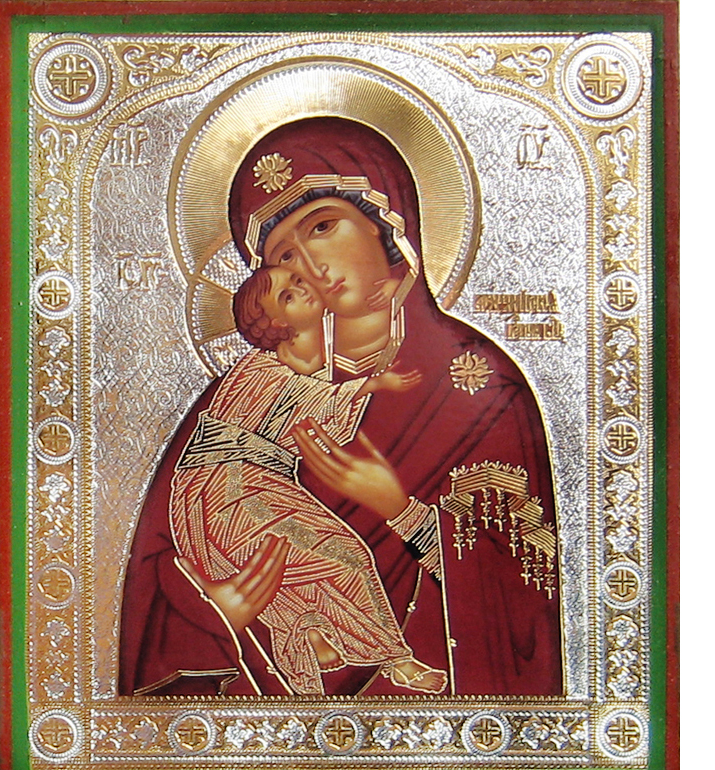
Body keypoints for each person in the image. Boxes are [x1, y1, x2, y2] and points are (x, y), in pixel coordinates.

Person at [119, 117, 563, 697]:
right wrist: (212, 610)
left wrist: (401, 510)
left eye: (323, 226)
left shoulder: (477, 387)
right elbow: (160, 565)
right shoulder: (236, 396)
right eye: (284, 254)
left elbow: (526, 585)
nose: (310, 265)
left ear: (385, 218)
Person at [168, 263, 446, 695]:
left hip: (261, 483)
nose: (302, 287)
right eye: (288, 295)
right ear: (276, 323)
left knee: (294, 574)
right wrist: (371, 386)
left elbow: (315, 423)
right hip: (223, 492)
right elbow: (302, 399)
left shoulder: (310, 367)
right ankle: (394, 659)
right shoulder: (256, 371)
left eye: (297, 281)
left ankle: (310, 640)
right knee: (344, 555)